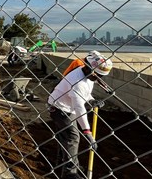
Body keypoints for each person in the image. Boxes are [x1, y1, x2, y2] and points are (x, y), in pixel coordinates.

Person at [47, 50, 112, 178]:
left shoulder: (86, 74)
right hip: (60, 109)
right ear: (89, 68)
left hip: (62, 106)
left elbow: (85, 93)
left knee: (65, 137)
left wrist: (91, 100)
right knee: (72, 137)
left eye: (100, 76)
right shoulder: (77, 81)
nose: (97, 78)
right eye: (96, 75)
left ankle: (64, 164)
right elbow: (79, 108)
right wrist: (87, 132)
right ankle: (70, 173)